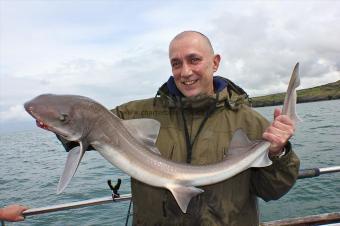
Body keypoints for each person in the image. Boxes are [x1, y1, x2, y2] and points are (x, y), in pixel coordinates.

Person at [59, 30, 300, 225]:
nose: (185, 72)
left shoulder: (249, 121)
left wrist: (278, 153)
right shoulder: (132, 114)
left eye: (194, 59)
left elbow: (273, 191)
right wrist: (59, 126)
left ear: (215, 63)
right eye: (176, 63)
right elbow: (82, 134)